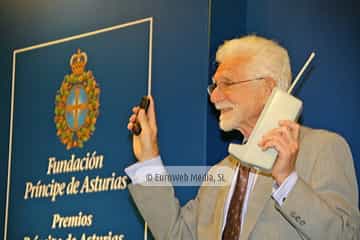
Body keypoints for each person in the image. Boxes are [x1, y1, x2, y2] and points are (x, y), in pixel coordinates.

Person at [125, 35, 360, 239]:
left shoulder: (322, 149)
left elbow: (346, 236)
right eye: (214, 86)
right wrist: (148, 158)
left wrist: (287, 181)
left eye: (226, 83)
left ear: (268, 88)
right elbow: (177, 235)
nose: (214, 97)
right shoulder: (220, 172)